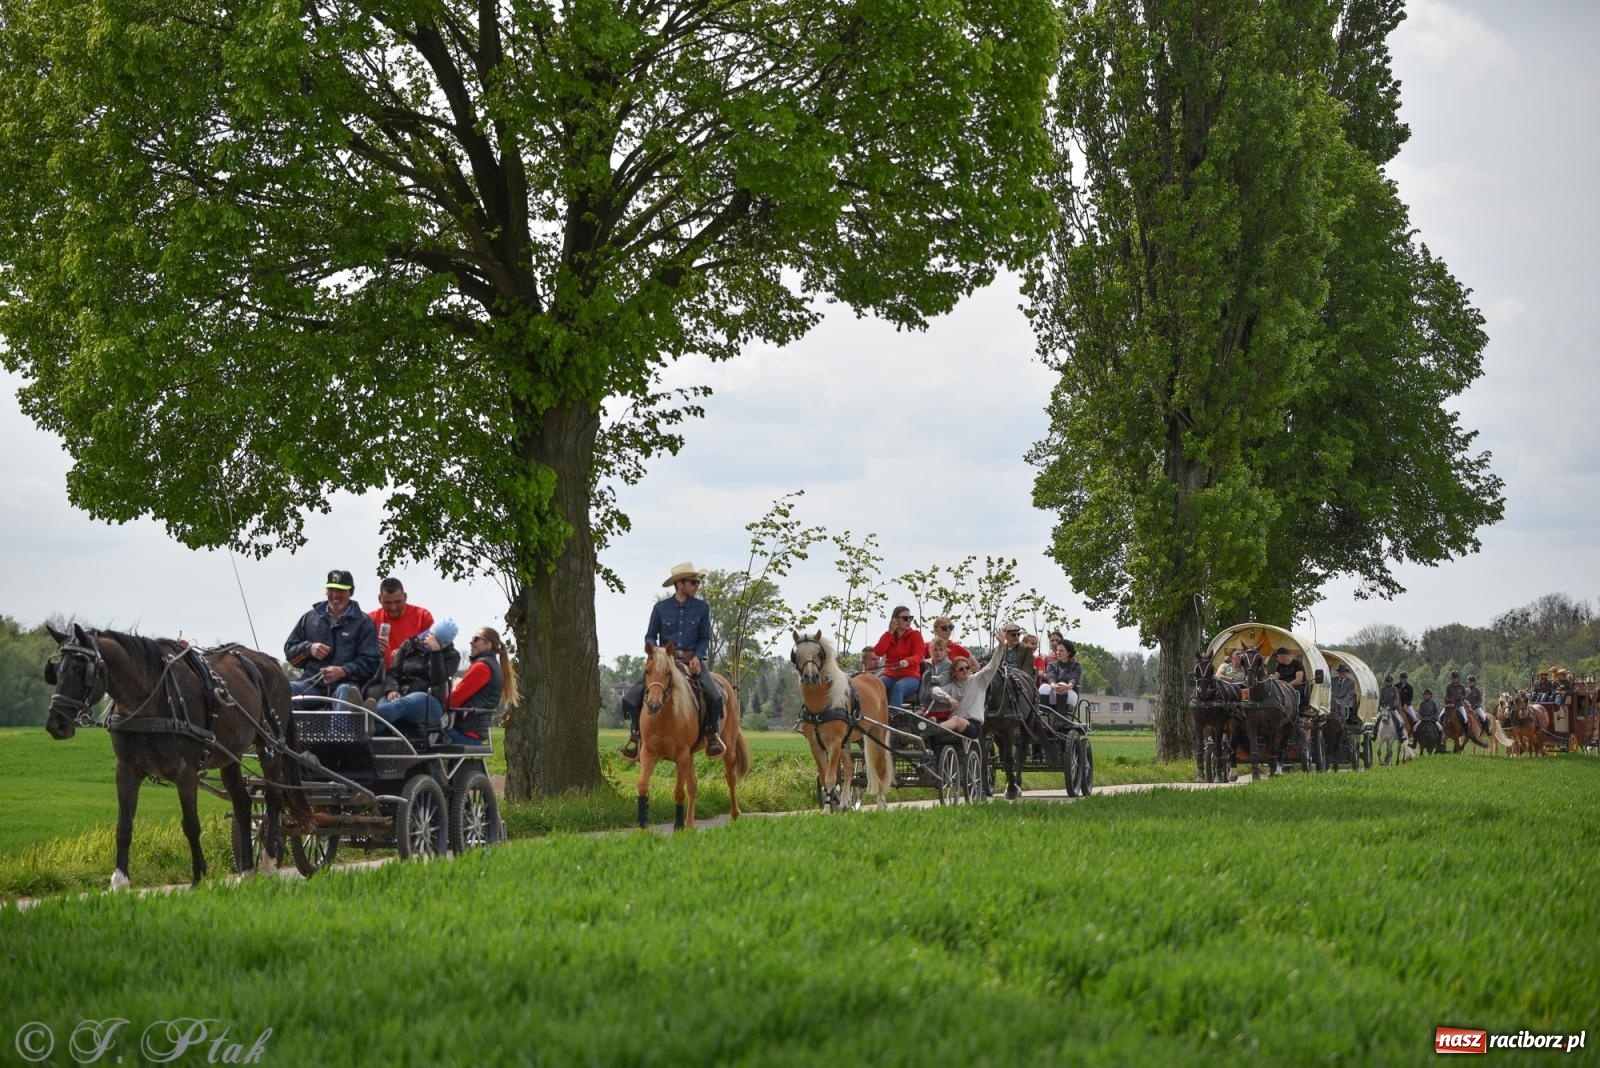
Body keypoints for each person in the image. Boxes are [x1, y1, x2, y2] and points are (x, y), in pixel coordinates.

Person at [619, 561, 724, 761]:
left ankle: (712, 735)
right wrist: (657, 652)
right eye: (693, 582)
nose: (697, 586)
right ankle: (635, 736)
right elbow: (650, 636)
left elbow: (704, 638)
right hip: (664, 664)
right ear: (680, 584)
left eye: (697, 582)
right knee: (632, 697)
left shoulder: (702, 608)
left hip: (691, 661)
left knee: (714, 695)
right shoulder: (660, 608)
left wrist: (698, 657)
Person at [285, 569, 380, 708]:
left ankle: (340, 730)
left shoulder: (364, 622)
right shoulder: (309, 618)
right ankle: (281, 730)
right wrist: (309, 649)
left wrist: (343, 671)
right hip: (311, 686)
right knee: (285, 690)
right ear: (326, 591)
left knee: (346, 692)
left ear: (351, 592)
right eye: (331, 589)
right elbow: (290, 654)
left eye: (341, 590)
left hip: (345, 686)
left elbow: (372, 661)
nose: (335, 595)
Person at [374, 619, 461, 733]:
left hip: (429, 699)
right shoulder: (409, 644)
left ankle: (364, 714)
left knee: (399, 705)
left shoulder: (452, 656)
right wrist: (391, 689)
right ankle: (366, 737)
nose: (429, 639)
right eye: (431, 635)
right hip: (400, 694)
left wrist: (436, 652)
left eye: (436, 639)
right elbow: (394, 672)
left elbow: (437, 679)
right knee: (388, 705)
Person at [449, 626, 518, 746]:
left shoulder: (481, 667)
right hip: (475, 732)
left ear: (488, 644)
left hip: (466, 732)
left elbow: (452, 701)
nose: (471, 642)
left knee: (418, 736)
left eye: (476, 639)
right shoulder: (492, 666)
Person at [369, 577, 435, 671]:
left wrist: (407, 652)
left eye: (397, 602)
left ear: (405, 597)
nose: (393, 607)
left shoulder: (423, 616)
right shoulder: (370, 620)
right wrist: (372, 645)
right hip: (382, 676)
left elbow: (433, 648)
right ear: (380, 599)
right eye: (388, 603)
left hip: (415, 675)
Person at [873, 606, 926, 711]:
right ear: (895, 620)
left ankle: (892, 718)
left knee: (898, 686)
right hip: (890, 675)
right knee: (875, 685)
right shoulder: (889, 636)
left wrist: (908, 661)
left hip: (911, 677)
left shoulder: (915, 635)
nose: (909, 621)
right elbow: (878, 652)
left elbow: (919, 655)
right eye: (905, 618)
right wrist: (889, 633)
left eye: (910, 618)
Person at [919, 637, 957, 720]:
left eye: (941, 649)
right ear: (930, 651)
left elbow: (942, 680)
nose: (938, 652)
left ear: (945, 651)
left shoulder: (949, 665)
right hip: (927, 703)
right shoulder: (925, 663)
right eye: (935, 650)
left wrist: (928, 678)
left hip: (942, 705)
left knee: (934, 688)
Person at [1044, 640, 1083, 717]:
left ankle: (1060, 719)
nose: (1058, 652)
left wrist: (1068, 686)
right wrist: (1053, 686)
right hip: (1054, 691)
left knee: (1061, 685)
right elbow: (1051, 677)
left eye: (1061, 650)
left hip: (1070, 693)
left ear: (1069, 653)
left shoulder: (1076, 666)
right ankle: (1044, 717)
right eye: (1057, 650)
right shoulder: (1051, 665)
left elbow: (1074, 679)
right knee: (1043, 687)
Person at [1273, 646, 1307, 710]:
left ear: (1282, 656)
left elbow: (1298, 680)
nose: (1277, 658)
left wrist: (1286, 686)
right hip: (1281, 687)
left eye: (1277, 656)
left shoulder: (1297, 664)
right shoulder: (1279, 665)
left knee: (1295, 694)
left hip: (1295, 687)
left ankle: (1296, 709)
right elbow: (1275, 677)